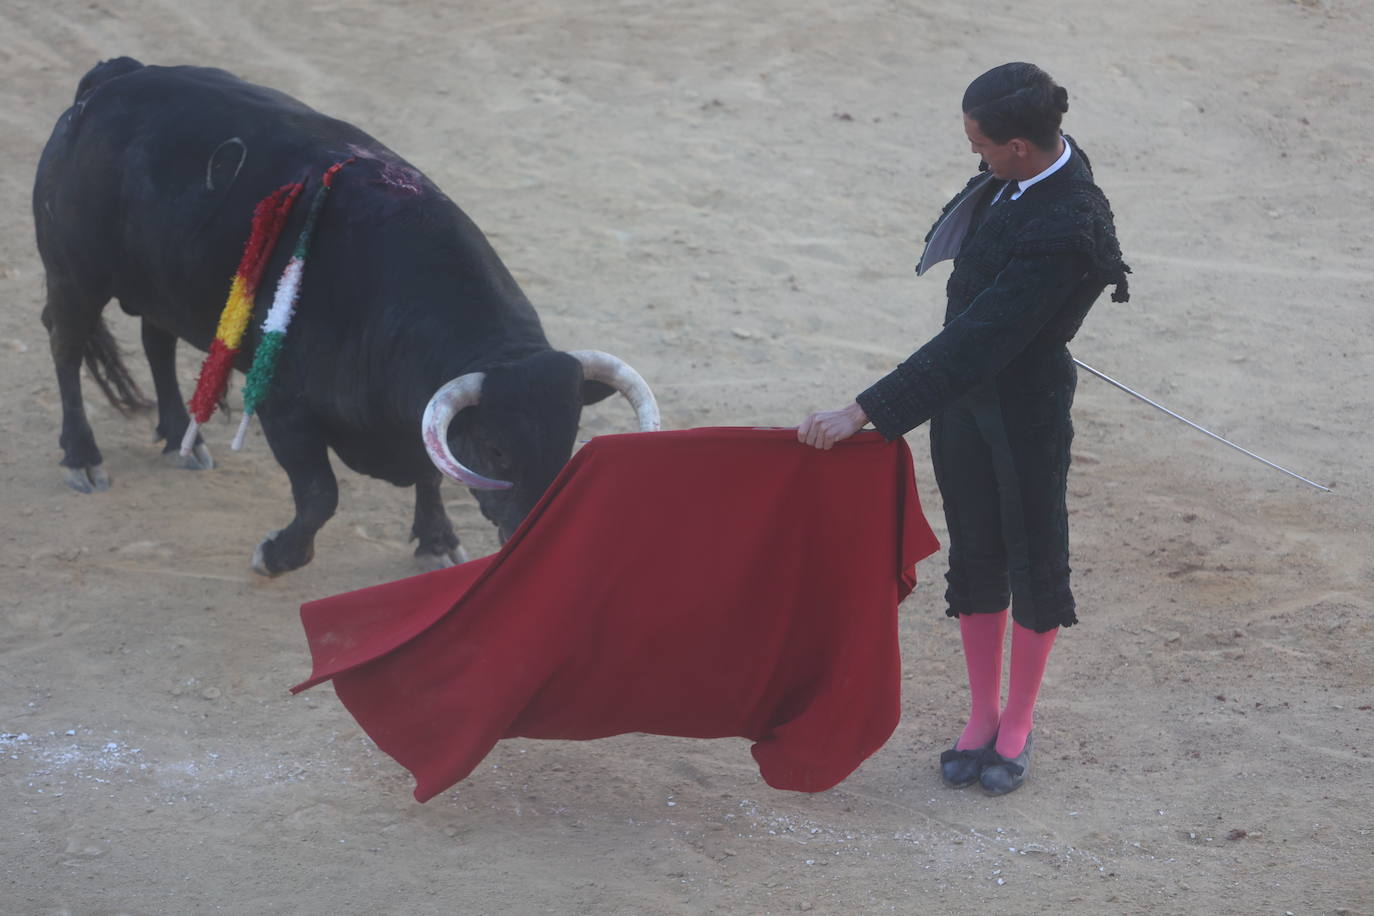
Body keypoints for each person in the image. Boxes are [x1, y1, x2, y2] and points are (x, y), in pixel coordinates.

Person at [797, 62, 1130, 796]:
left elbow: (979, 338)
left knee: (1034, 554)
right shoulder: (1031, 171)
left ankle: (1018, 720)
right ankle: (981, 715)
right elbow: (977, 336)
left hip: (1025, 408)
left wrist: (865, 410)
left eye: (979, 141)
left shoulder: (1070, 218)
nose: (972, 152)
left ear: (1016, 147)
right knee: (978, 549)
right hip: (963, 403)